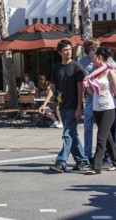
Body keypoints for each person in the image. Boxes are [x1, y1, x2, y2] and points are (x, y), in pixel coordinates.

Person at [38, 39, 89, 173]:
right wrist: (44, 104)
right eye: (65, 50)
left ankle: (61, 162)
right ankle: (82, 160)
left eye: (70, 49)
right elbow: (53, 88)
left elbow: (80, 90)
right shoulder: (56, 68)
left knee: (67, 134)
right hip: (62, 106)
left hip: (73, 106)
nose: (68, 52)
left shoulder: (77, 67)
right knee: (72, 134)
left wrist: (79, 108)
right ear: (60, 52)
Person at [83, 46, 116, 175]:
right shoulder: (94, 73)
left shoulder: (110, 72)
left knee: (101, 137)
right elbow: (91, 93)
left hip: (109, 108)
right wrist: (87, 85)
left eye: (93, 57)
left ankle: (96, 167)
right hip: (97, 108)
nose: (92, 60)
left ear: (100, 58)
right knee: (107, 137)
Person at [79, 38, 100, 162]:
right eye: (92, 47)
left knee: (105, 126)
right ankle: (87, 153)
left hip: (103, 94)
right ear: (87, 49)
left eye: (96, 47)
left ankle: (107, 152)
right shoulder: (82, 61)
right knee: (88, 125)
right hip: (91, 96)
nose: (95, 49)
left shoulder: (103, 56)